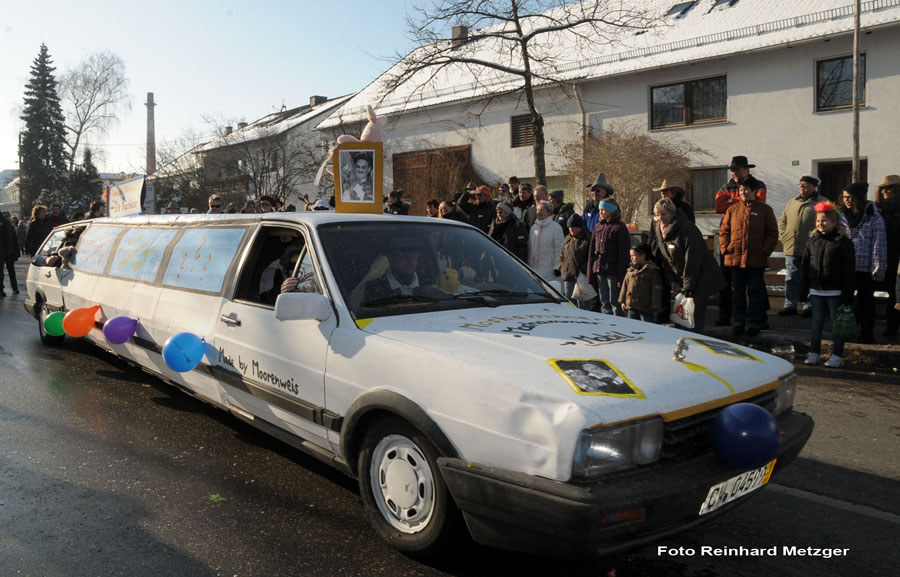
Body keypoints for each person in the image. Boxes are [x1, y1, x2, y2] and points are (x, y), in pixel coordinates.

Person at [653, 197, 725, 333]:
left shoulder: (687, 228)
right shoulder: (658, 228)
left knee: (694, 318)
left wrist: (688, 286)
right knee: (682, 317)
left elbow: (693, 259)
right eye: (657, 215)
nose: (660, 218)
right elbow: (666, 258)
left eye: (663, 214)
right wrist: (673, 281)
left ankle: (695, 340)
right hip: (683, 276)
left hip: (702, 276)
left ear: (672, 214)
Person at [801, 201, 856, 368]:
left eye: (824, 220)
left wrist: (847, 293)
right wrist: (803, 289)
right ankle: (814, 352)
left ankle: (837, 355)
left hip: (835, 291)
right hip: (816, 291)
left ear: (833, 222)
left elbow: (849, 269)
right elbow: (805, 267)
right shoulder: (812, 241)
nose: (820, 223)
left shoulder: (843, 242)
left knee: (837, 325)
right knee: (816, 323)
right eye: (818, 220)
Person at [714, 156, 767, 327]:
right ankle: (726, 316)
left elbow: (758, 202)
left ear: (746, 169)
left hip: (751, 243)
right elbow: (718, 207)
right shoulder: (726, 186)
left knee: (755, 286)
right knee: (727, 283)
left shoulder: (759, 185)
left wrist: (731, 201)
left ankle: (760, 319)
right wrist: (740, 201)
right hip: (732, 243)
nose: (734, 172)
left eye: (737, 169)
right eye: (732, 169)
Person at [720, 182, 778, 336]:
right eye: (740, 190)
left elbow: (772, 232)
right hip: (735, 258)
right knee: (738, 292)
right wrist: (726, 249)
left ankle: (754, 323)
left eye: (746, 190)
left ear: (754, 191)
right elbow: (724, 232)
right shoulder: (732, 209)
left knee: (755, 292)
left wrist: (764, 251)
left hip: (756, 259)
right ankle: (738, 322)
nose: (743, 192)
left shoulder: (765, 210)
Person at [841, 182, 887, 344]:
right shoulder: (842, 216)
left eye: (850, 197)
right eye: (844, 197)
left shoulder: (874, 217)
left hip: (865, 267)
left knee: (866, 301)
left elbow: (879, 244)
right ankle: (845, 331)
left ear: (858, 198)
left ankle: (866, 334)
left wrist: (878, 268)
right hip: (846, 266)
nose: (846, 201)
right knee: (846, 301)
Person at [778, 175, 825, 317]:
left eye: (805, 185)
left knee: (811, 277)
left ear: (814, 187)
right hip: (792, 246)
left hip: (812, 248)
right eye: (800, 185)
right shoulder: (792, 202)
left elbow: (828, 223)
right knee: (791, 277)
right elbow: (783, 221)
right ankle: (790, 305)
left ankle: (809, 306)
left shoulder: (822, 202)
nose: (802, 187)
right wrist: (784, 237)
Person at [586, 197, 630, 316]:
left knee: (615, 301)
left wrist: (622, 276)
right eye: (599, 210)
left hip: (613, 270)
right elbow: (591, 251)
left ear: (611, 210)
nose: (600, 212)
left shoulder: (619, 227)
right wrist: (590, 273)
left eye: (603, 210)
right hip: (599, 269)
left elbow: (624, 254)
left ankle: (618, 322)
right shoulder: (598, 226)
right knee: (604, 301)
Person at [875, 175, 900, 337]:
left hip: (897, 259)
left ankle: (892, 328)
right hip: (880, 257)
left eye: (889, 189)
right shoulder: (877, 210)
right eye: (883, 189)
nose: (885, 192)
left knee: (895, 295)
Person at [619, 243, 663, 323]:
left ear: (642, 256)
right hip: (631, 305)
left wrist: (655, 306)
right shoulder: (630, 270)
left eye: (634, 255)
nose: (632, 258)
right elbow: (624, 286)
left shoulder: (652, 271)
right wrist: (622, 301)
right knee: (631, 325)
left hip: (645, 307)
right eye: (631, 256)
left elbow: (656, 290)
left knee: (647, 326)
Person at [528, 200, 565, 282]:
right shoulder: (533, 228)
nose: (538, 212)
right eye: (537, 210)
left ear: (549, 212)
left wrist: (557, 267)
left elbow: (559, 248)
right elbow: (530, 249)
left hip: (549, 269)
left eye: (542, 210)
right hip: (534, 267)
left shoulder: (555, 228)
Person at [559, 214, 590, 308]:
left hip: (581, 277)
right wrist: (562, 266)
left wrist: (583, 269)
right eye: (569, 227)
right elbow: (562, 255)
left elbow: (591, 258)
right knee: (569, 303)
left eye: (573, 227)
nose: (571, 230)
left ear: (580, 227)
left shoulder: (587, 240)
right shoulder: (567, 239)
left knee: (583, 304)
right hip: (568, 275)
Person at [0, 212, 20, 296]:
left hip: (8, 251)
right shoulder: (7, 224)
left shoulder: (7, 224)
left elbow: (13, 240)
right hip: (7, 250)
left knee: (10, 270)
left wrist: (14, 252)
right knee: (7, 271)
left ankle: (14, 288)